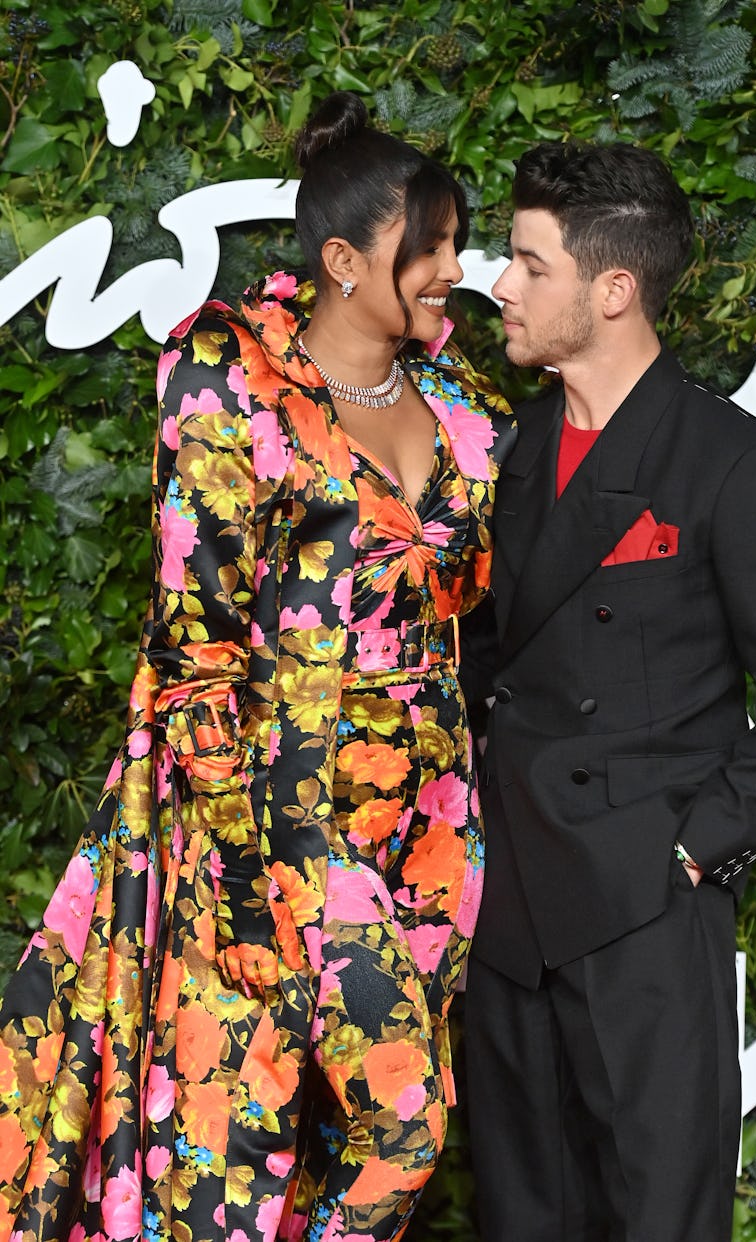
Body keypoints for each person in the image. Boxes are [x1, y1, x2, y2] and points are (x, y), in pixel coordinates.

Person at [0, 91, 514, 1242]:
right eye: (424, 248)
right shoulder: (229, 376)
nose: (449, 268)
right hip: (286, 820)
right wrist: (240, 874)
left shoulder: (459, 402)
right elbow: (196, 641)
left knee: (320, 1148)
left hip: (428, 829)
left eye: (451, 243)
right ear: (341, 259)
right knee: (352, 1131)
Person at [460, 138, 756, 1242]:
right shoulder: (508, 455)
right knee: (522, 1220)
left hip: (644, 919)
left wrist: (691, 845)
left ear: (612, 289)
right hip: (507, 912)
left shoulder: (738, 466)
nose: (502, 286)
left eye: (529, 265)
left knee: (656, 1222)